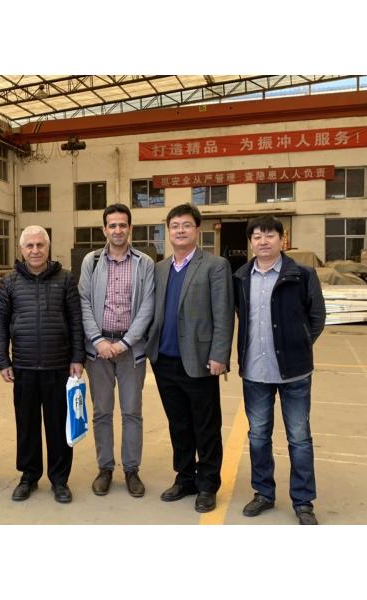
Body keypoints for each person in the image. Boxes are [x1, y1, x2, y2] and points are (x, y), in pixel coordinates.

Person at [233, 215, 325, 525]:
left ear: (281, 239)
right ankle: (263, 493)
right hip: (255, 373)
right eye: (257, 236)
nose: (263, 241)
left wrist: (300, 344)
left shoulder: (302, 274)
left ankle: (303, 500)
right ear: (250, 242)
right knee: (258, 436)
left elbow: (317, 317)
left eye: (269, 235)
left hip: (294, 373)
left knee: (299, 438)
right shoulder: (241, 277)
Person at [146, 203, 234, 514]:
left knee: (206, 426)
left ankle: (207, 484)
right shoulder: (159, 268)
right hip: (164, 360)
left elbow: (224, 313)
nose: (180, 230)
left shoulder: (215, 266)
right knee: (179, 424)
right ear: (167, 231)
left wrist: (219, 355)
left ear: (197, 230)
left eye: (186, 225)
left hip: (200, 360)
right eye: (175, 226)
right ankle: (185, 478)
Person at [0, 226, 85, 503]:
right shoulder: (9, 282)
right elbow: (0, 324)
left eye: (40, 245)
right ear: (21, 250)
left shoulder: (65, 279)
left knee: (58, 426)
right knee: (27, 425)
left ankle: (60, 480)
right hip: (24, 367)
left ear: (48, 247)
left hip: (58, 366)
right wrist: (2, 360)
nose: (35, 250)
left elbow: (75, 321)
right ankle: (29, 476)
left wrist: (77, 357)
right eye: (30, 246)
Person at [79, 203, 155, 498]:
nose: (118, 230)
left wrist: (125, 343)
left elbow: (147, 306)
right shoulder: (92, 261)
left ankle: (132, 470)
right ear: (104, 230)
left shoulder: (144, 263)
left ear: (130, 228)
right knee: (102, 411)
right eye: (112, 225)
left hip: (131, 350)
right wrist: (98, 340)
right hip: (98, 350)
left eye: (123, 225)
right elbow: (84, 302)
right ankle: (105, 468)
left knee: (132, 411)